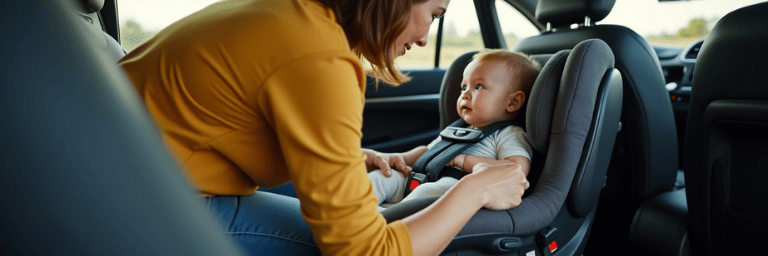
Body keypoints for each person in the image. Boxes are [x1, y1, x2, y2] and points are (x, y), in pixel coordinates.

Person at [117, 0, 530, 255]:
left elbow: (226, 123)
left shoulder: (290, 15)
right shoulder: (319, 60)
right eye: (433, 15)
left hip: (138, 179)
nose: (425, 38)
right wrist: (474, 188)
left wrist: (347, 158)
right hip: (142, 207)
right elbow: (364, 253)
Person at [367, 50, 539, 206]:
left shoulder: (509, 134)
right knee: (384, 178)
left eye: (478, 86)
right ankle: (359, 210)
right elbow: (429, 150)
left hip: (456, 187)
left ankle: (389, 220)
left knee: (429, 192)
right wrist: (402, 158)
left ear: (513, 102)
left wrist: (464, 161)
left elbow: (516, 169)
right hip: (423, 178)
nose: (465, 93)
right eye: (464, 87)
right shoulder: (458, 128)